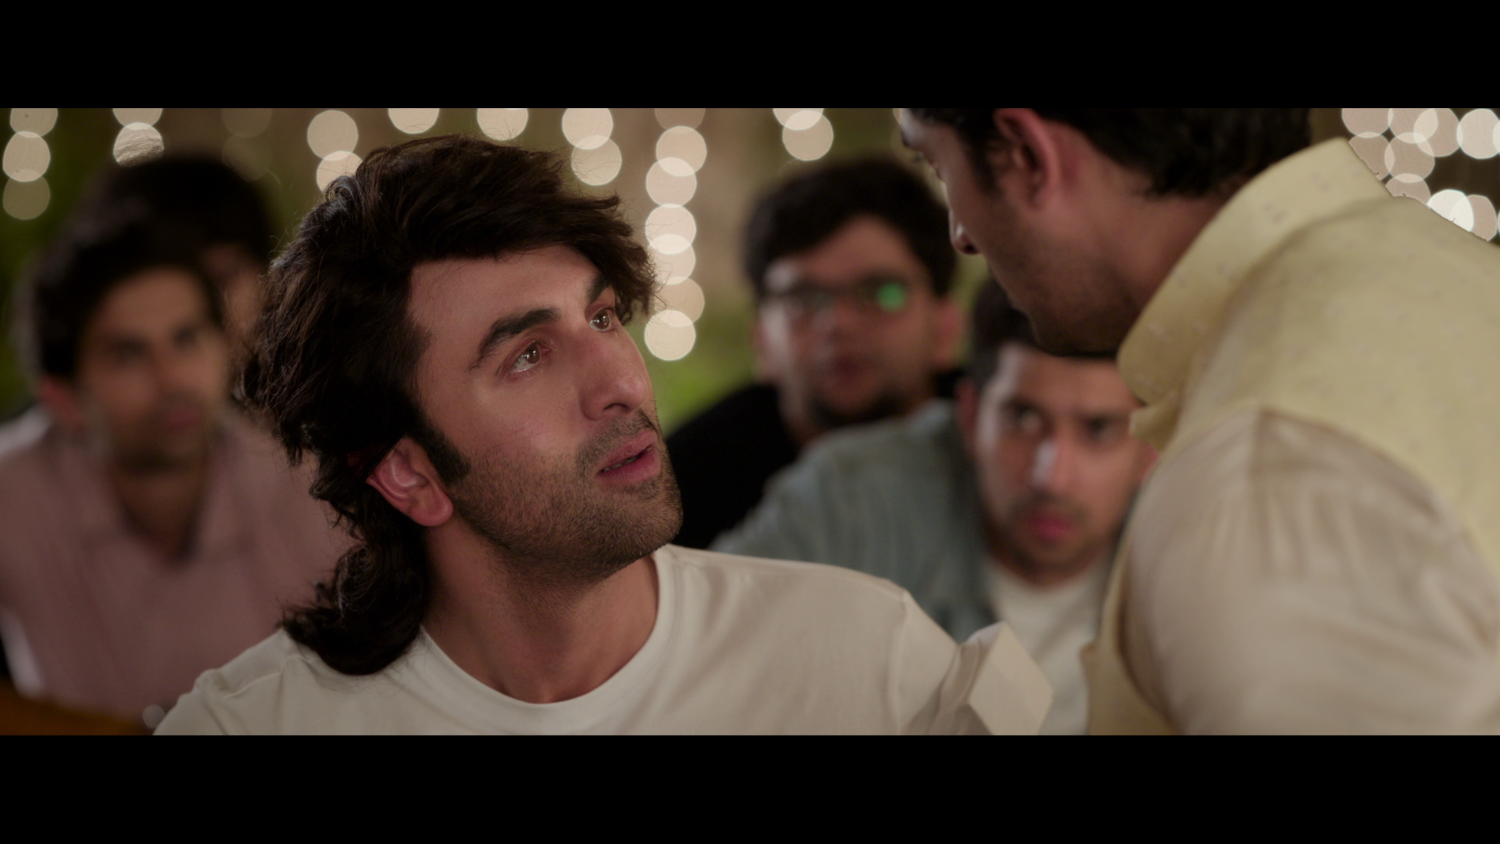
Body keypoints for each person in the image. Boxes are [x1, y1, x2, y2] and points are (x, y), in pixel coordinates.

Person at [156, 136, 1051, 735]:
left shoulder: (864, 658)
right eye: (527, 357)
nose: (622, 385)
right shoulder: (255, 724)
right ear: (408, 473)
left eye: (605, 317)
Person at [902, 107, 1500, 733]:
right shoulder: (1443, 263)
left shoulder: (1261, 476)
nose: (961, 235)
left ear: (1027, 155)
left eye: (939, 166)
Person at [715, 281, 1153, 733]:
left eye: (1099, 430)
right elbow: (701, 650)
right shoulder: (853, 498)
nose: (1052, 476)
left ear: (1152, 445)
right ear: (971, 417)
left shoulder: (1187, 535)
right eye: (1022, 418)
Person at [0, 213, 343, 730]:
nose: (172, 379)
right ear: (63, 399)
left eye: (186, 339)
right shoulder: (16, 492)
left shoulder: (312, 492)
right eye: (128, 354)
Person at [667, 158, 963, 549]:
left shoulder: (1005, 442)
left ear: (945, 326)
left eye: (881, 292)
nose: (838, 323)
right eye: (802, 299)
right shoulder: (679, 493)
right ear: (761, 339)